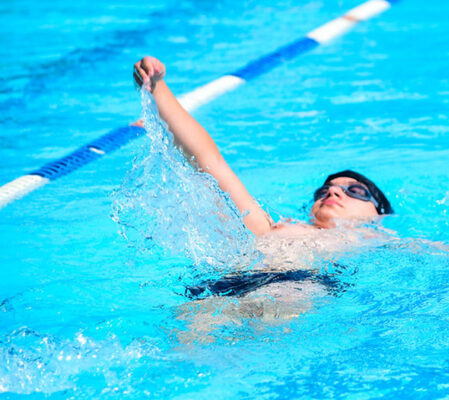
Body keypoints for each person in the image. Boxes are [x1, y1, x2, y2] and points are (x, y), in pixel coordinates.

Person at [133, 56, 394, 333]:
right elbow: (210, 162)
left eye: (355, 191)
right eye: (325, 190)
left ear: (378, 212)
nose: (334, 191)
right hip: (223, 285)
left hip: (295, 287)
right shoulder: (272, 227)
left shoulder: (382, 242)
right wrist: (157, 86)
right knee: (185, 341)